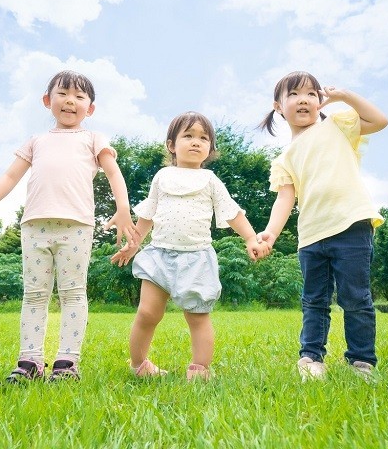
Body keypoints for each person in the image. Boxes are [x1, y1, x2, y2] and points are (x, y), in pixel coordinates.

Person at [0, 70, 137, 382]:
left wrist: (123, 208)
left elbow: (113, 173)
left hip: (76, 227)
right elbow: (9, 177)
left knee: (73, 292)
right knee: (34, 294)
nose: (70, 100)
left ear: (90, 108)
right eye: (63, 93)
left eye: (79, 96)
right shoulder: (36, 141)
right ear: (48, 101)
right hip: (35, 226)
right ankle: (29, 361)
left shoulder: (93, 139)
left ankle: (67, 362)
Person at [110, 112, 270, 381]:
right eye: (188, 136)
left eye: (203, 138)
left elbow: (232, 213)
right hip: (159, 255)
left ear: (210, 148)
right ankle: (139, 365)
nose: (196, 142)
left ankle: (200, 369)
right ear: (172, 145)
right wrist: (134, 244)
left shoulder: (209, 179)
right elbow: (148, 214)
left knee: (198, 316)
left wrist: (251, 238)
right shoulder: (162, 176)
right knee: (148, 313)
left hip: (196, 258)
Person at [255, 71, 388, 381]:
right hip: (312, 235)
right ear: (279, 106)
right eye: (294, 94)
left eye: (312, 93)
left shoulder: (337, 127)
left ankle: (361, 361)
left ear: (320, 101)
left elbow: (379, 121)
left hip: (351, 224)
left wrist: (344, 96)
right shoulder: (284, 157)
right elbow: (285, 199)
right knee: (314, 300)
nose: (304, 99)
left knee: (355, 297)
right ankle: (311, 358)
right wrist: (271, 233)